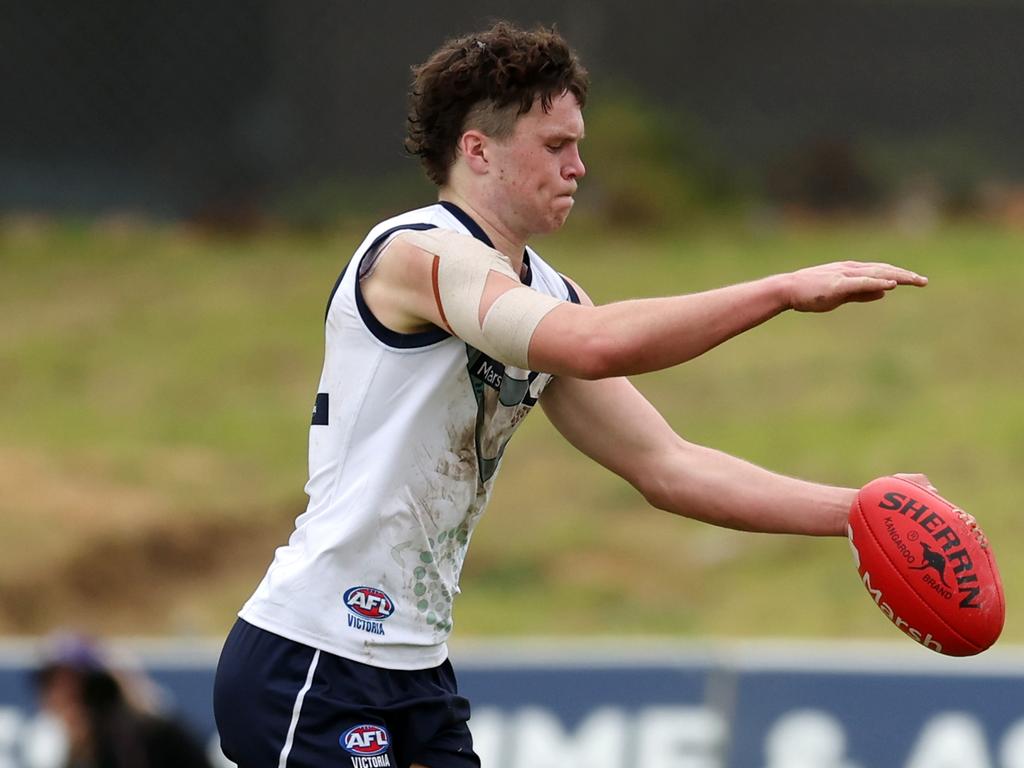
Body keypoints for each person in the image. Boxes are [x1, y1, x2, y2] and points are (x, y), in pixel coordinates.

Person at [213, 21, 929, 768]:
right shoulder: (417, 253)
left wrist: (862, 512)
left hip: (414, 672)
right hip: (312, 659)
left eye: (578, 145)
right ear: (477, 149)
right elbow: (592, 343)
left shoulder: (550, 292)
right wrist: (779, 290)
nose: (579, 167)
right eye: (556, 146)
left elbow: (668, 466)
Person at [32, 633, 213, 768]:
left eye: (71, 685)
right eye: (51, 685)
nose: (59, 696)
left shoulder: (138, 734)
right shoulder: (66, 744)